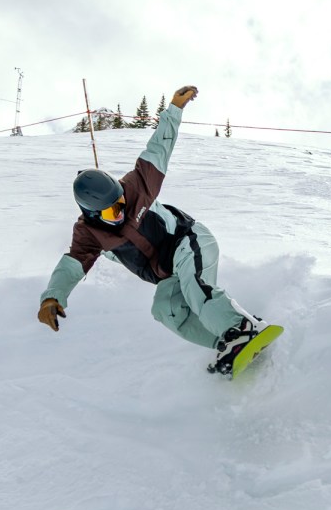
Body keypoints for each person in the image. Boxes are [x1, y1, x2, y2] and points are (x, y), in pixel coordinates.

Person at [37, 85, 269, 374]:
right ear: (92, 213)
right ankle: (227, 342)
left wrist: (174, 108)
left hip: (189, 241)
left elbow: (159, 147)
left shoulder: (136, 185)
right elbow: (71, 266)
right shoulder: (88, 233)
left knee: (195, 288)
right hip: (166, 273)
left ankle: (240, 328)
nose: (121, 210)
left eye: (120, 201)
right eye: (111, 211)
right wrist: (52, 297)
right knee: (165, 310)